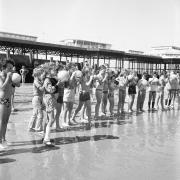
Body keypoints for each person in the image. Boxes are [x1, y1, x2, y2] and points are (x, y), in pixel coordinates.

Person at [0, 59, 20, 150]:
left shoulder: (11, 76)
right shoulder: (1, 75)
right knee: (1, 121)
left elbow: (18, 85)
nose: (11, 70)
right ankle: (0, 141)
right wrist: (8, 78)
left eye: (12, 68)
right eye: (9, 68)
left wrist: (16, 80)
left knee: (6, 121)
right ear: (3, 68)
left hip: (8, 100)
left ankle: (3, 139)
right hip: (2, 100)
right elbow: (2, 88)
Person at [28, 67, 45, 132]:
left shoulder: (39, 81)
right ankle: (38, 128)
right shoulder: (35, 81)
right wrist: (45, 84)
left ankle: (31, 127)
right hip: (36, 98)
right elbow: (41, 89)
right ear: (37, 75)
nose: (43, 76)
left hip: (39, 98)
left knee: (35, 114)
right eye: (41, 74)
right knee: (40, 114)